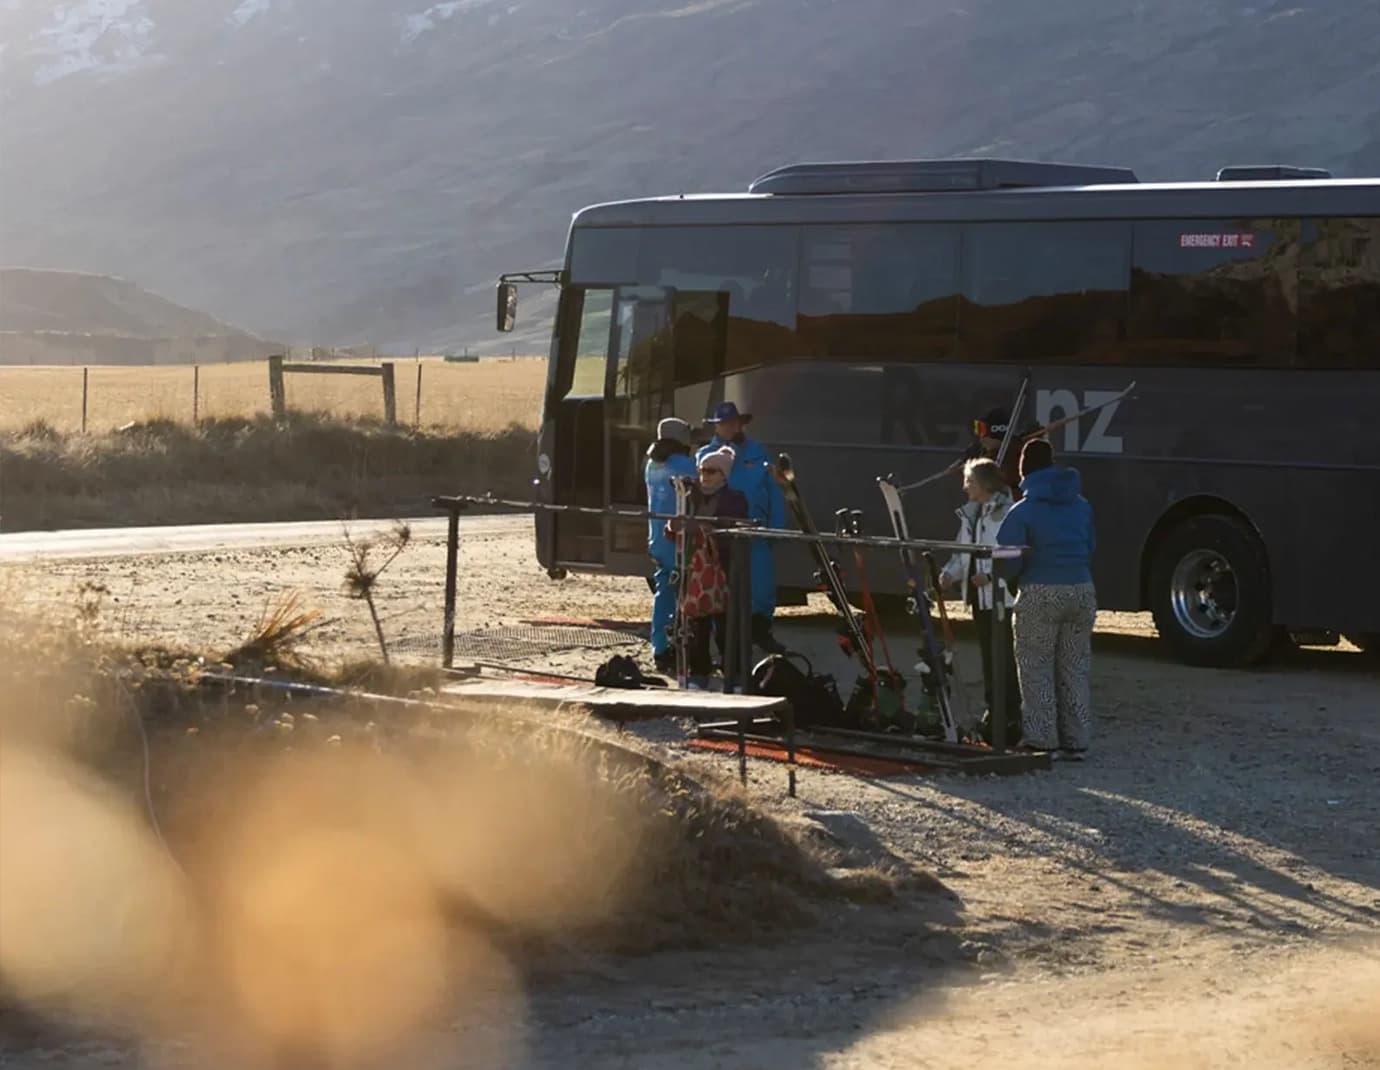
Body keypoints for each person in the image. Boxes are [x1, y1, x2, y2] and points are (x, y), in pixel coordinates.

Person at [995, 439, 1097, 760]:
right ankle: (1076, 740)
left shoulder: (1023, 511)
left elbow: (1006, 556)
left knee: (1036, 666)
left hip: (1040, 591)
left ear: (1024, 470)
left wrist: (1008, 579)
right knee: (1074, 667)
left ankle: (1041, 740)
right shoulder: (1082, 505)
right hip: (1082, 589)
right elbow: (1091, 545)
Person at [939, 458, 1020, 742]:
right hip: (979, 597)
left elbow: (1013, 552)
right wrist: (949, 573)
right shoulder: (971, 514)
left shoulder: (1007, 512)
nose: (965, 487)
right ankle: (994, 711)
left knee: (1006, 658)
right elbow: (964, 552)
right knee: (989, 658)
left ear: (984, 483)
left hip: (1001, 597)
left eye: (969, 481)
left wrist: (990, 575)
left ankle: (1012, 715)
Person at [696, 401, 786, 653]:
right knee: (721, 587)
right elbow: (699, 493)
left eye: (733, 423)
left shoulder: (757, 451)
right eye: (723, 424)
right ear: (717, 427)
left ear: (740, 423)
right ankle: (728, 644)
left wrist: (776, 526)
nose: (729, 428)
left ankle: (761, 632)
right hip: (720, 534)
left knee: (762, 586)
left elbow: (773, 490)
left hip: (755, 529)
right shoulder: (705, 455)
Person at [667, 446, 748, 687]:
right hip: (694, 569)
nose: (704, 476)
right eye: (702, 470)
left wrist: (704, 528)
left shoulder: (735, 499)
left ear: (724, 475)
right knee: (696, 625)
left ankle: (733, 674)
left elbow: (735, 529)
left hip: (723, 568)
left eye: (711, 471)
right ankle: (698, 673)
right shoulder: (691, 497)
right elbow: (678, 531)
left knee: (726, 627)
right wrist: (672, 528)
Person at [644, 417, 698, 673]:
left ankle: (660, 646)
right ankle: (677, 646)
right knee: (682, 595)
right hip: (678, 540)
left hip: (656, 538)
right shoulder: (685, 465)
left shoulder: (652, 465)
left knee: (663, 592)